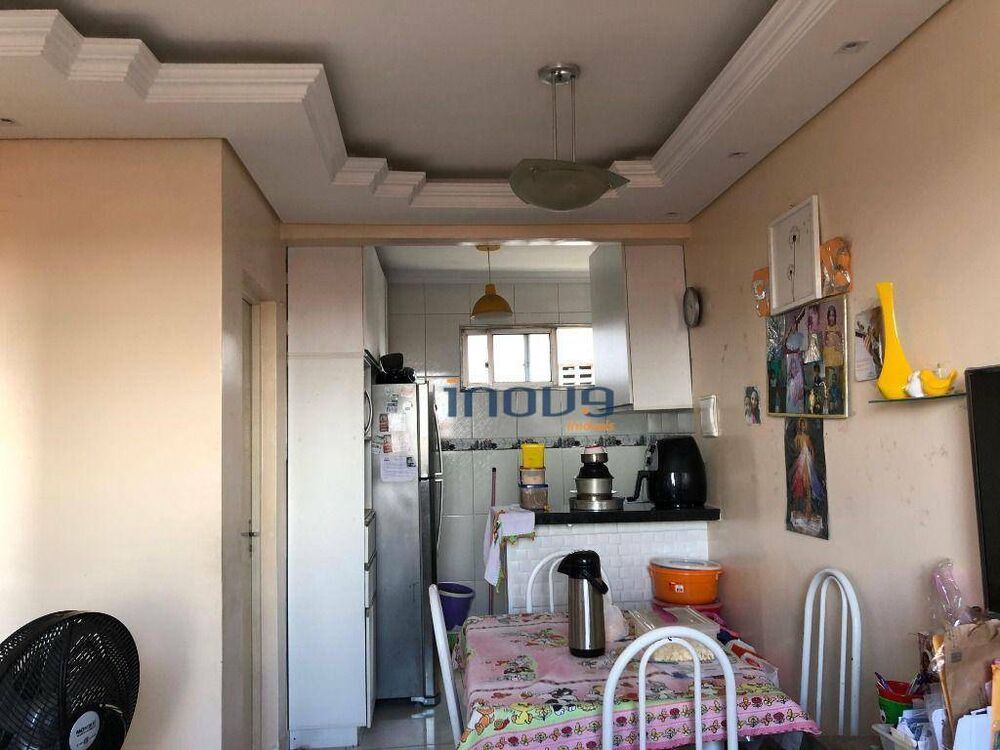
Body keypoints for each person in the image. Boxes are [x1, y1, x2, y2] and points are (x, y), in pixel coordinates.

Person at [789, 417, 826, 521]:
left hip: (807, 459)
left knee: (810, 481)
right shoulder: (797, 438)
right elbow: (796, 449)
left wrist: (811, 458)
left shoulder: (807, 437)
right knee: (801, 481)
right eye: (801, 425)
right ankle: (804, 509)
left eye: (804, 425)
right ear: (799, 426)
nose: (802, 427)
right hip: (801, 460)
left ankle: (809, 510)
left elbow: (811, 449)